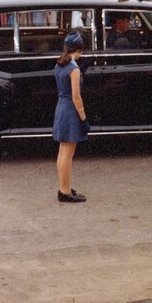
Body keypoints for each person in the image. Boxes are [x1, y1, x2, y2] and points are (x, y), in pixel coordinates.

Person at [53, 31, 88, 203]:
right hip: (70, 111)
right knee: (68, 153)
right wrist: (83, 118)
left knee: (62, 151)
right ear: (80, 49)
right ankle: (65, 191)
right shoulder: (74, 69)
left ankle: (63, 187)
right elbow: (76, 96)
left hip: (61, 108)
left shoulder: (59, 64)